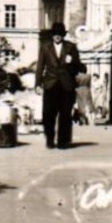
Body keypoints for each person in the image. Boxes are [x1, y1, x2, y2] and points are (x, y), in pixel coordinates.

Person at [35, 21, 84, 149]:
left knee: (65, 114)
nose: (57, 36)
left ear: (63, 35)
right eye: (55, 34)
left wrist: (71, 62)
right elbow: (40, 67)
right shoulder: (45, 47)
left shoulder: (71, 47)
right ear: (52, 35)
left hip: (66, 85)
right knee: (48, 114)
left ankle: (63, 141)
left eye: (60, 34)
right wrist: (38, 84)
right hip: (50, 84)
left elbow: (78, 66)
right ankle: (50, 139)